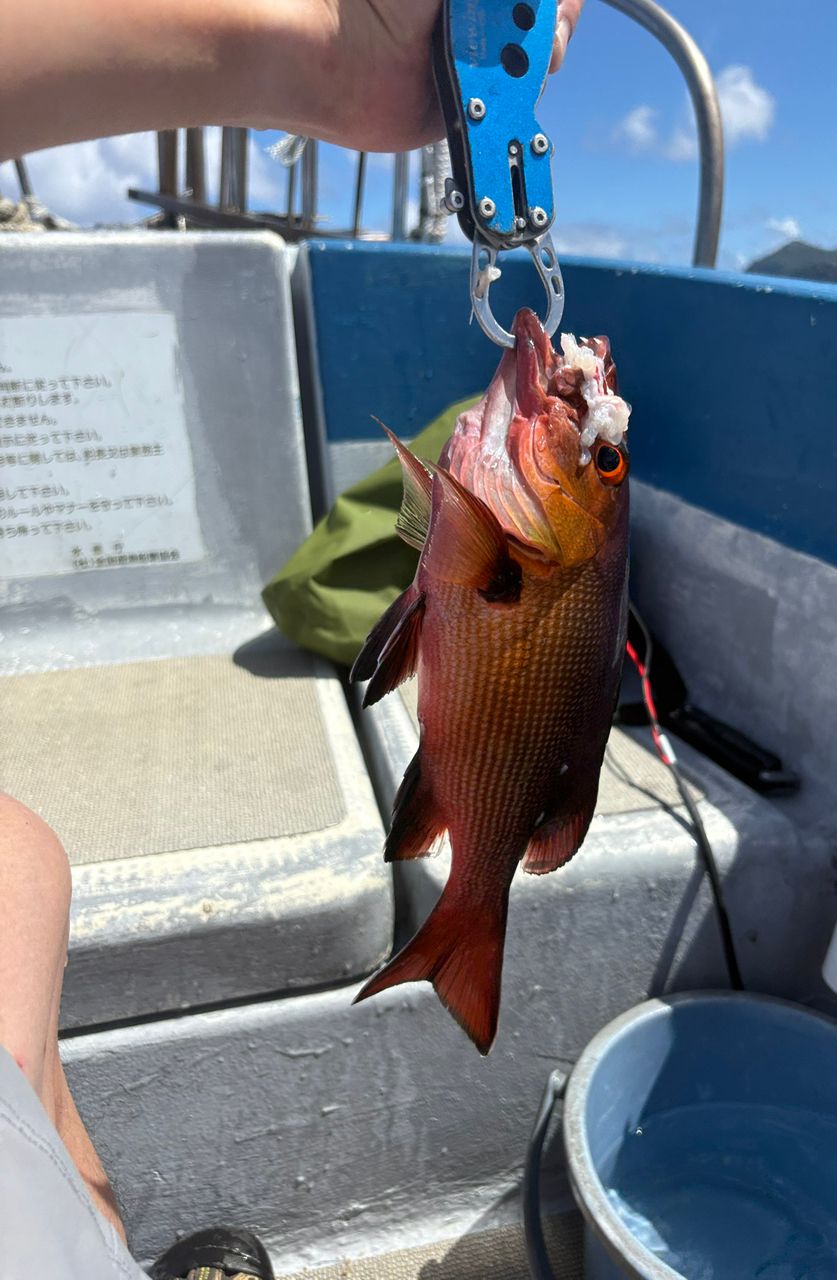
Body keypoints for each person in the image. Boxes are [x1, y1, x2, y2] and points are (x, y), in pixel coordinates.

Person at [0, 2, 584, 1275]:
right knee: (20, 879)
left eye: (592, 454)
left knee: (18, 875)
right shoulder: (505, 529)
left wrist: (332, 66)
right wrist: (327, 65)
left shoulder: (493, 526)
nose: (586, 433)